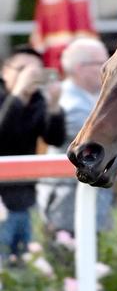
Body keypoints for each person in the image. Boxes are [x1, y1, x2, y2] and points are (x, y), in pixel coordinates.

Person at [37, 38, 113, 238]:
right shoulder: (67, 103)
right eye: (102, 63)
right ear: (80, 68)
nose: (109, 67)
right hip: (67, 211)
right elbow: (104, 139)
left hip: (91, 206)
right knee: (65, 268)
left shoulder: (94, 98)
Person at [0, 46, 65, 261]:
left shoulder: (39, 101)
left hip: (25, 199)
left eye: (34, 71)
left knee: (27, 266)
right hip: (2, 200)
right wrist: (19, 93)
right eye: (21, 69)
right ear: (4, 71)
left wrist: (54, 105)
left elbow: (54, 138)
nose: (28, 76)